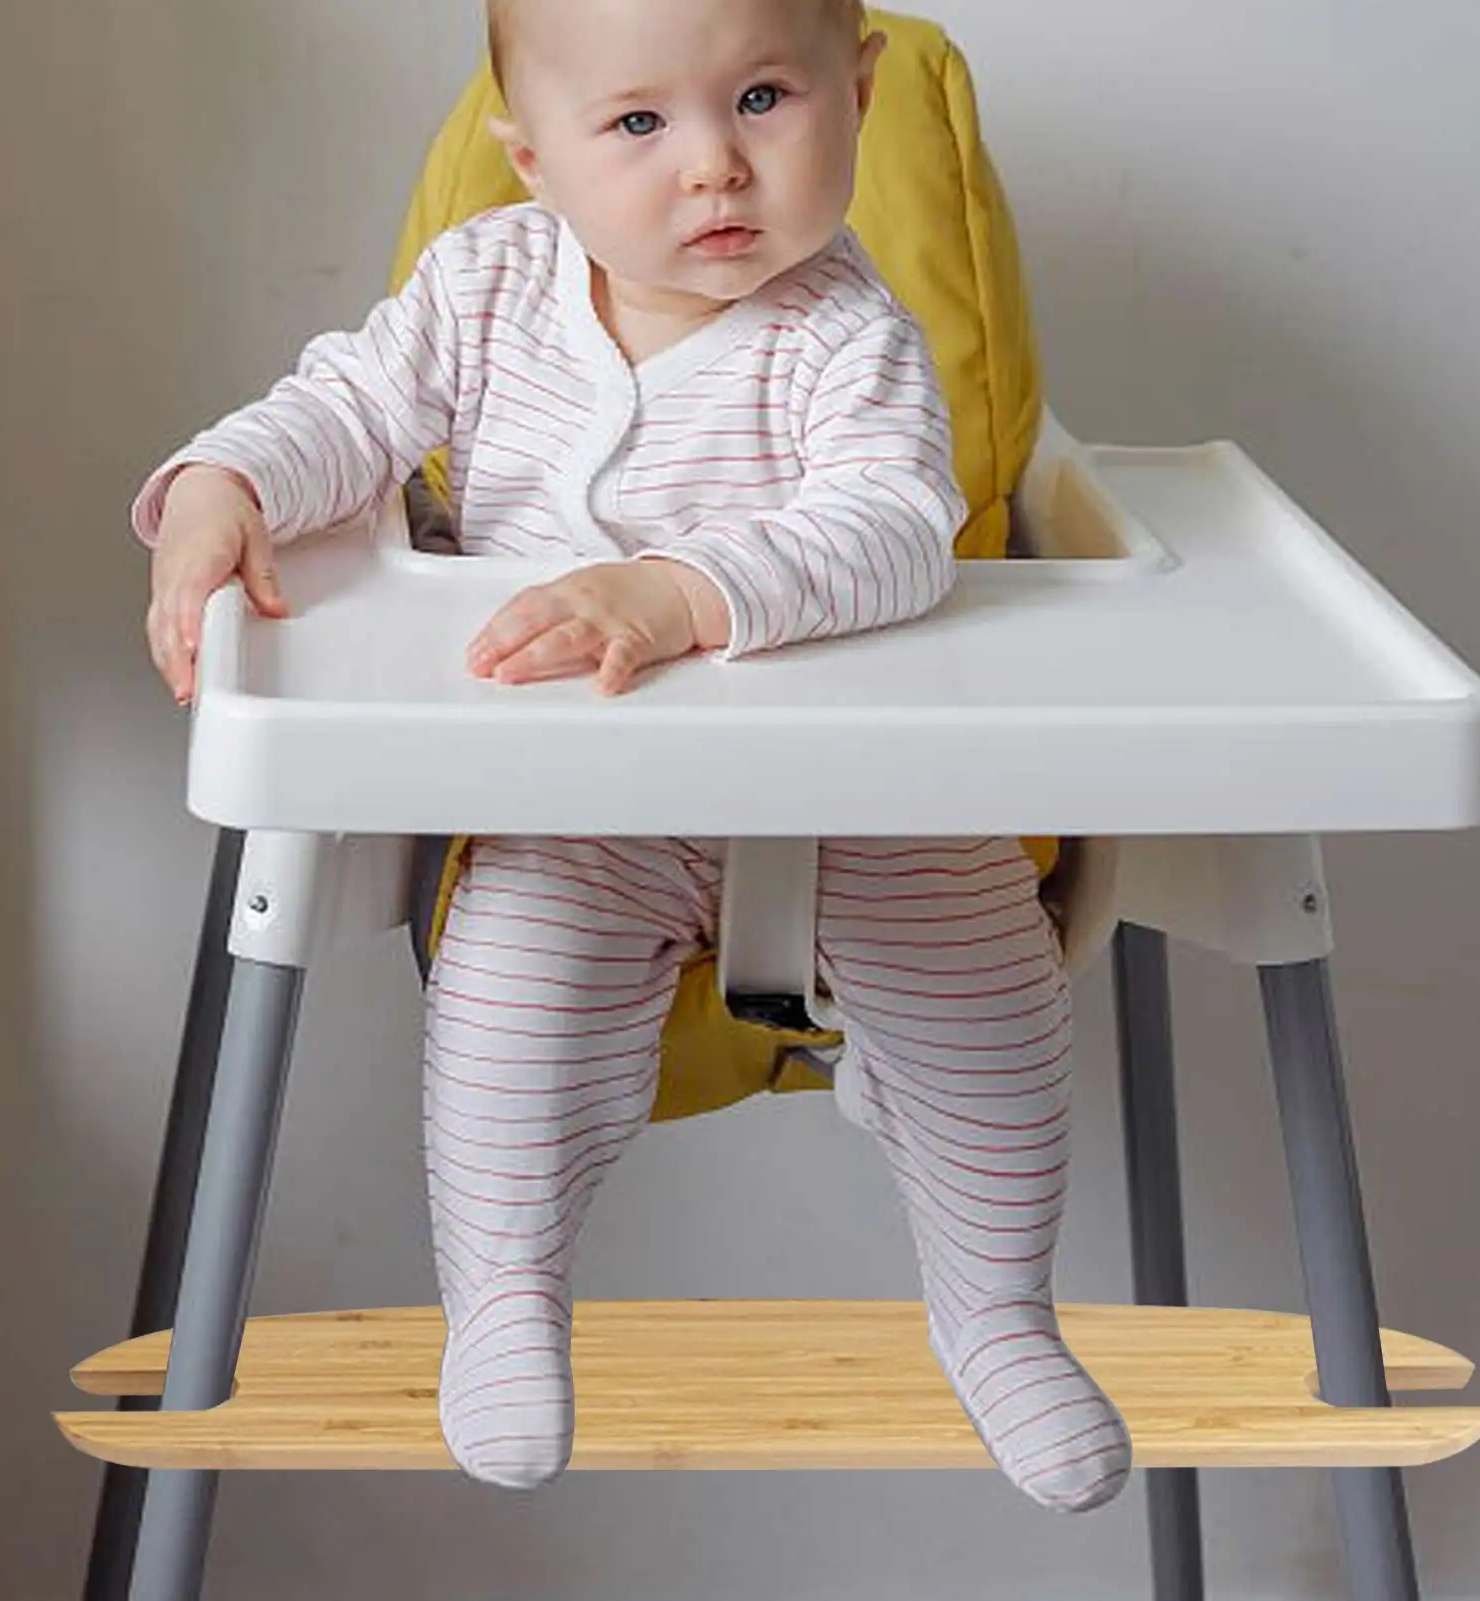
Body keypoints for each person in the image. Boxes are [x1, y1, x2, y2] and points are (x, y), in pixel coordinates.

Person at [133, 0, 1131, 1512]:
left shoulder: (850, 334)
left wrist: (679, 592)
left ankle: (997, 1312)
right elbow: (343, 407)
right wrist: (226, 481)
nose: (715, 164)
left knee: (992, 983)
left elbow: (891, 529)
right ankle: (505, 1301)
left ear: (859, 92)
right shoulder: (482, 289)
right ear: (533, 157)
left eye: (766, 98)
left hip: (867, 800)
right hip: (583, 804)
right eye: (642, 123)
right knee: (506, 998)